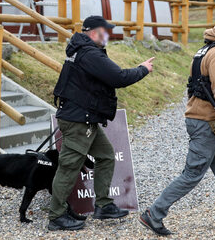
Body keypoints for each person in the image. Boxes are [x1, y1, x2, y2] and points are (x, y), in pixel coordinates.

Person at [139, 16, 215, 236]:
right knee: (192, 174)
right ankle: (154, 213)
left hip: (210, 122)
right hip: (207, 124)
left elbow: (193, 88)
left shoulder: (202, 51)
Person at [49, 15, 155, 231]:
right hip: (78, 120)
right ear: (94, 32)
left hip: (83, 118)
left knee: (105, 155)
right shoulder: (89, 54)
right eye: (105, 31)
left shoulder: (84, 50)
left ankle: (104, 205)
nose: (108, 35)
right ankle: (57, 216)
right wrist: (143, 69)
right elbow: (119, 78)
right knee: (69, 167)